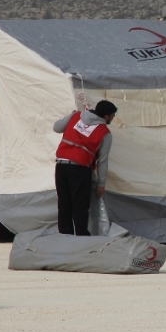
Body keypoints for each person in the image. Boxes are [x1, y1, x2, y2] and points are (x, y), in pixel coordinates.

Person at [53, 100, 117, 236]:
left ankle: (65, 237)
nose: (113, 118)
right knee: (80, 206)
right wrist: (101, 184)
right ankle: (82, 237)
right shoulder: (104, 133)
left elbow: (56, 127)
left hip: (61, 165)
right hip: (80, 169)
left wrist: (69, 116)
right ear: (106, 117)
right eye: (112, 116)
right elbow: (103, 161)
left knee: (64, 204)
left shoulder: (76, 116)